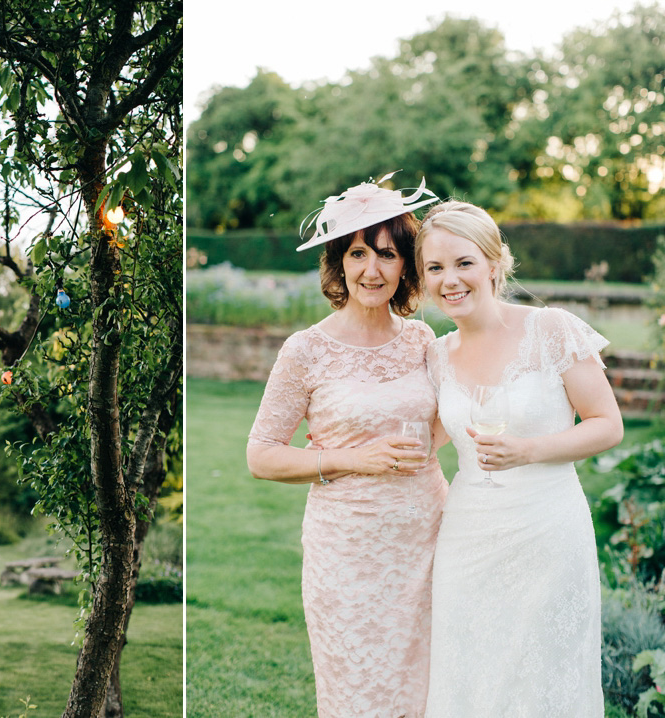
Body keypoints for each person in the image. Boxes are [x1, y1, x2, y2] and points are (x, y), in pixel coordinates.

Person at [247, 173, 449, 718]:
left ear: (405, 264)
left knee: (429, 689)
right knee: (359, 691)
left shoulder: (422, 340)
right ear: (339, 262)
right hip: (348, 551)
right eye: (358, 253)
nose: (372, 270)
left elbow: (451, 414)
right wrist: (350, 459)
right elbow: (262, 454)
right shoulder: (306, 351)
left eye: (387, 254)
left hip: (427, 540)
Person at [416, 200, 623, 717]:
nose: (450, 280)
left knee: (544, 674)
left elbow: (607, 424)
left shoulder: (551, 329)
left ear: (493, 262)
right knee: (471, 671)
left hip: (548, 533)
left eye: (463, 263)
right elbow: (430, 437)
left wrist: (528, 450)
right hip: (468, 538)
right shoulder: (437, 355)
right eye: (435, 268)